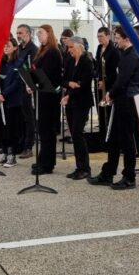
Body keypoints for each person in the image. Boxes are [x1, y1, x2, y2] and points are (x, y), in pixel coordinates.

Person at [89, 25, 139, 190]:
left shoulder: (132, 56)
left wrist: (110, 93)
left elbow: (123, 80)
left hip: (127, 101)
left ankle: (129, 177)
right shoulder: (125, 54)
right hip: (120, 100)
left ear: (127, 39)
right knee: (113, 138)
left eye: (118, 38)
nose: (116, 41)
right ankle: (108, 172)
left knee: (126, 140)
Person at [31, 24, 63, 175]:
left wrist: (36, 81)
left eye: (41, 33)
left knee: (48, 130)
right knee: (43, 130)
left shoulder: (54, 52)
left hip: (50, 95)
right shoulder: (42, 51)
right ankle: (43, 159)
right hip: (41, 94)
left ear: (49, 34)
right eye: (37, 34)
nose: (38, 36)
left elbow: (49, 74)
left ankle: (47, 163)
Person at [62, 36, 93, 180]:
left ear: (79, 46)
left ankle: (85, 168)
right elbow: (64, 80)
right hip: (71, 101)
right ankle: (79, 166)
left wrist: (69, 94)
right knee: (74, 135)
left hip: (82, 102)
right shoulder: (69, 60)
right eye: (68, 47)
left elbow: (84, 84)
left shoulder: (87, 61)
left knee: (77, 133)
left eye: (71, 47)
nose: (69, 50)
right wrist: (70, 85)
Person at [0, 37, 23, 168]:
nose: (5, 47)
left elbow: (17, 83)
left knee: (12, 129)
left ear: (15, 47)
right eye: (4, 45)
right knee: (2, 128)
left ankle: (12, 156)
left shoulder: (19, 63)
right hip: (1, 101)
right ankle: (5, 153)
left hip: (13, 101)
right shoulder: (0, 62)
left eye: (8, 45)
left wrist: (4, 94)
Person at [15, 24, 38, 159]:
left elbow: (33, 69)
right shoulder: (19, 49)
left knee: (29, 119)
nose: (18, 35)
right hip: (18, 88)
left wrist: (31, 85)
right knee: (21, 118)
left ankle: (28, 147)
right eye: (17, 33)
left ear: (28, 34)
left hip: (28, 89)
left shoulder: (33, 50)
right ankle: (21, 144)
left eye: (21, 33)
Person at [94, 27, 119, 133]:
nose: (99, 39)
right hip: (99, 82)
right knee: (100, 109)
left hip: (109, 84)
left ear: (108, 36)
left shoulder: (114, 50)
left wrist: (105, 81)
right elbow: (97, 65)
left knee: (108, 111)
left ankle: (109, 133)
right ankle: (102, 131)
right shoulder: (99, 48)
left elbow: (114, 70)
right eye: (98, 36)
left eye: (101, 36)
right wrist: (97, 77)